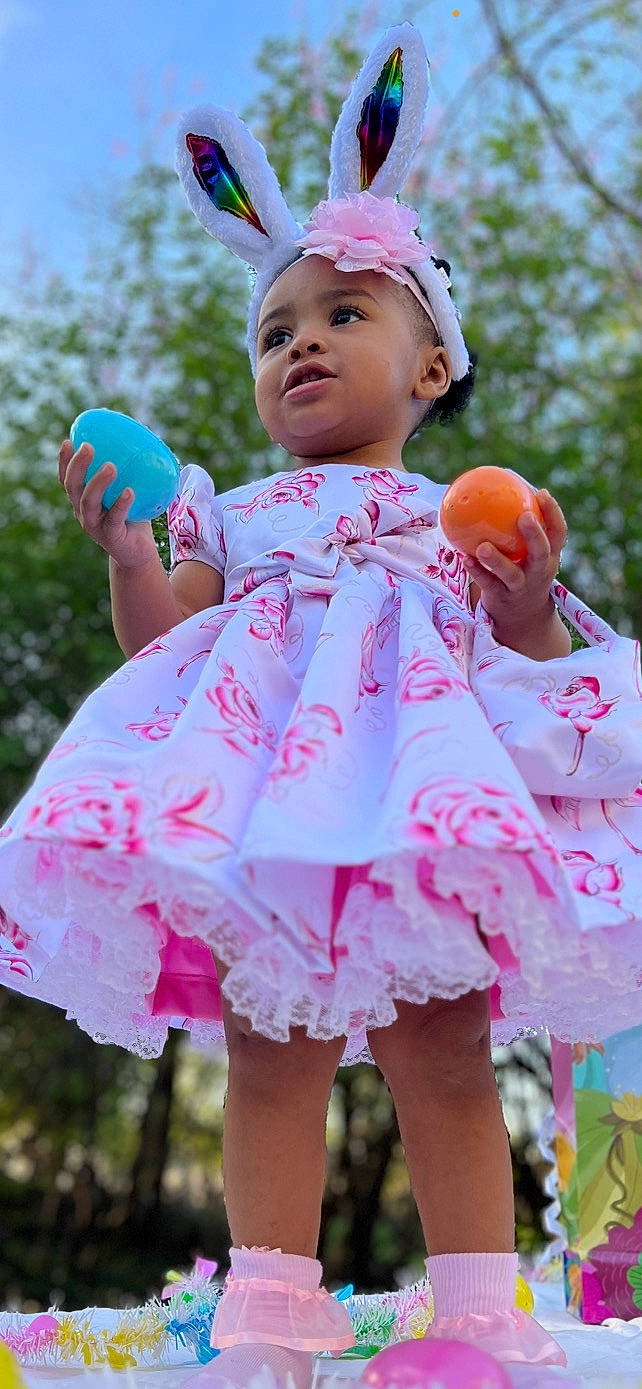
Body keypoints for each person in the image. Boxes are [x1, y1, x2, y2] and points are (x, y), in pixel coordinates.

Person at [1, 21, 642, 1389]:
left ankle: (477, 1316)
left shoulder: (449, 510)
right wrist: (131, 554)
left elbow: (512, 659)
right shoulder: (224, 513)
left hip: (414, 818)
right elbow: (159, 644)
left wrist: (524, 594)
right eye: (276, 328)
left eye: (343, 314)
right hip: (272, 825)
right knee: (269, 1048)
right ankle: (268, 1316)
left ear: (428, 366)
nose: (300, 344)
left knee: (446, 1046)